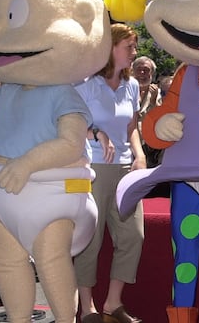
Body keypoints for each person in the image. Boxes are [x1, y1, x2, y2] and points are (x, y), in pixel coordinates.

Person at [73, 23, 146, 323]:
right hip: (92, 169)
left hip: (126, 169)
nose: (134, 53)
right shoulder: (85, 84)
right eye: (129, 46)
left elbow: (132, 127)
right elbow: (71, 120)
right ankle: (86, 307)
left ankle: (112, 303)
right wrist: (96, 132)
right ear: (111, 48)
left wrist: (140, 155)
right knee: (90, 239)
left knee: (134, 236)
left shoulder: (133, 86)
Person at [132, 56, 163, 168]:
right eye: (138, 69)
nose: (142, 73)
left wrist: (153, 101)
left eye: (146, 70)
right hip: (127, 142)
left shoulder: (155, 92)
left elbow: (158, 118)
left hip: (147, 144)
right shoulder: (125, 90)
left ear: (152, 74)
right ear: (132, 72)